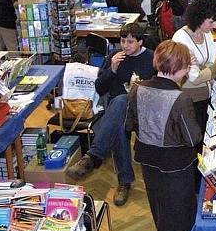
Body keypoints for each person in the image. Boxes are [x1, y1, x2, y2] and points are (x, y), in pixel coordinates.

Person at [125, 40, 203, 231]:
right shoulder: (181, 99)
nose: (188, 71)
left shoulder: (137, 89)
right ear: (179, 69)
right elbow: (192, 138)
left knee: (159, 203)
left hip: (148, 158)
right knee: (182, 206)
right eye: (187, 67)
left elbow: (129, 124)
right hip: (176, 163)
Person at [66, 24, 157, 206]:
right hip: (118, 110)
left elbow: (159, 86)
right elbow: (99, 88)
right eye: (123, 41)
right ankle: (124, 182)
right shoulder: (114, 57)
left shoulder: (152, 58)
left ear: (140, 42)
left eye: (130, 42)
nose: (125, 45)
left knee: (122, 102)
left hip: (143, 111)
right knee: (119, 119)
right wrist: (112, 69)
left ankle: (93, 157)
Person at [172, 0, 216, 126]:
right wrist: (214, 68)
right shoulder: (181, 39)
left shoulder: (206, 34)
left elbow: (215, 58)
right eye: (211, 21)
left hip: (206, 95)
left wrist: (204, 68)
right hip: (189, 99)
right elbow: (194, 78)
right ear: (200, 18)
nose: (214, 26)